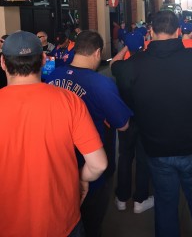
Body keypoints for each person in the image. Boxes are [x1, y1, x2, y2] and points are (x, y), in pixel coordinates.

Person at [111, 10, 192, 237]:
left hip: (157, 149)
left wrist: (125, 51)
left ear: (150, 32)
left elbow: (116, 69)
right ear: (179, 31)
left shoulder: (135, 64)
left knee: (165, 205)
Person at [0, 31, 107, 236]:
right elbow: (99, 164)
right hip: (62, 221)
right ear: (43, 59)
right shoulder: (69, 101)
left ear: (3, 63)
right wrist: (81, 179)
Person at [46, 30, 132, 237]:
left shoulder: (51, 78)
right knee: (91, 222)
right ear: (97, 53)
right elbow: (123, 125)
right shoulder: (101, 83)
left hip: (56, 164)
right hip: (92, 165)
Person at [111, 32, 154, 214]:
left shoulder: (121, 67)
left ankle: (122, 198)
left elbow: (113, 63)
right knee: (143, 159)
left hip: (126, 119)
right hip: (145, 118)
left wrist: (126, 47)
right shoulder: (150, 64)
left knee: (125, 157)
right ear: (143, 44)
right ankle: (140, 200)